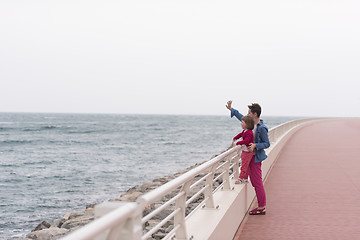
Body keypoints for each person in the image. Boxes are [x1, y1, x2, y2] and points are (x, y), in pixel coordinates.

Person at [226, 100, 270, 215]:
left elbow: (267, 143)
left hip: (255, 158)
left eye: (249, 112)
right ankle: (261, 206)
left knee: (257, 183)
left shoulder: (261, 128)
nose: (247, 114)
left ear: (255, 114)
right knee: (254, 182)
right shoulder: (250, 123)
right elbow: (240, 116)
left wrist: (255, 145)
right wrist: (231, 109)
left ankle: (262, 207)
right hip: (249, 157)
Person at [232, 115, 254, 184]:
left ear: (247, 124)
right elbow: (240, 135)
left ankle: (241, 178)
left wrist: (239, 142)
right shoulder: (245, 131)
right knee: (245, 165)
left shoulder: (249, 132)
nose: (241, 123)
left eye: (242, 122)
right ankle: (245, 178)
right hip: (245, 151)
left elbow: (246, 141)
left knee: (244, 165)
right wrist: (235, 138)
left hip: (247, 152)